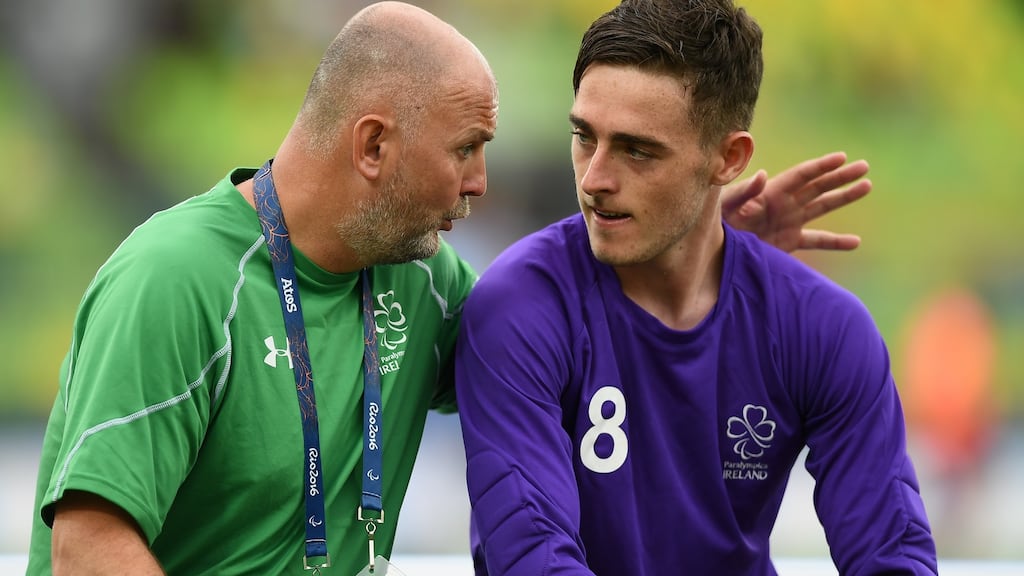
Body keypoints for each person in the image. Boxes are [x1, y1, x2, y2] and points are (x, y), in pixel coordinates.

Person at [28, 1, 875, 575]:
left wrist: (695, 235)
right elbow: (90, 546)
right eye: (466, 149)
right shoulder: (174, 279)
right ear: (373, 148)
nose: (480, 184)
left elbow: (576, 329)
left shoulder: (420, 279)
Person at [454, 1, 938, 575]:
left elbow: (893, 557)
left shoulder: (822, 327)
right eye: (585, 137)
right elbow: (531, 558)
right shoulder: (518, 308)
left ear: (727, 158)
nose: (594, 180)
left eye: (638, 150)